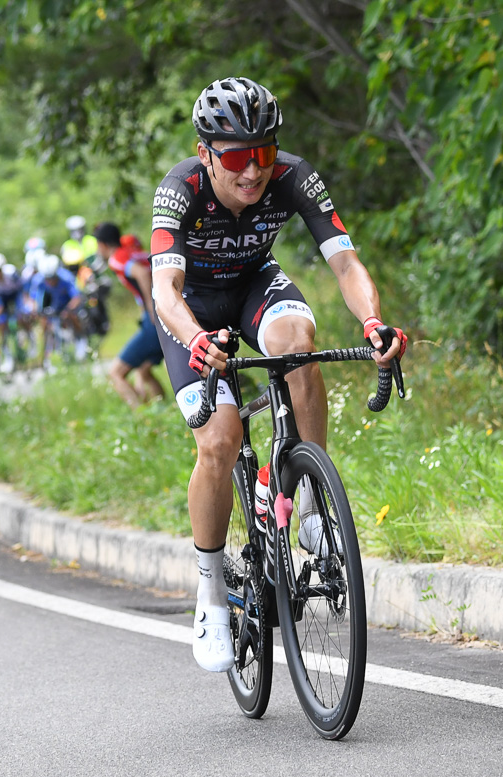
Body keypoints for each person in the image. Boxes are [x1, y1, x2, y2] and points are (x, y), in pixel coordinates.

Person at [149, 76, 406, 673]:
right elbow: (164, 288)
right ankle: (211, 591)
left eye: (263, 154)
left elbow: (345, 261)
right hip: (189, 311)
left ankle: (309, 501)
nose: (253, 172)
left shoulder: (293, 176)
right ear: (206, 151)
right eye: (236, 158)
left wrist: (373, 322)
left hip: (252, 287)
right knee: (220, 438)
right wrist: (194, 339)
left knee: (298, 345)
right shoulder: (179, 188)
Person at [93, 223, 166, 408]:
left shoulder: (116, 258)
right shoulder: (133, 251)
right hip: (163, 314)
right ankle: (165, 410)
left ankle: (142, 415)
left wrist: (151, 308)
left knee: (116, 373)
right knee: (143, 371)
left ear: (102, 245)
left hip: (156, 318)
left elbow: (141, 273)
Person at [29, 252, 86, 365]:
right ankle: (47, 352)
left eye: (53, 278)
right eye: (47, 279)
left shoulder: (66, 277)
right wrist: (36, 311)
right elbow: (34, 299)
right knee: (44, 322)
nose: (50, 281)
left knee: (71, 316)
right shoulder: (38, 280)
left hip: (67, 302)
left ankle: (81, 340)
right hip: (53, 303)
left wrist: (68, 310)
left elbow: (76, 297)